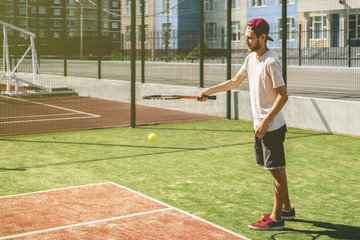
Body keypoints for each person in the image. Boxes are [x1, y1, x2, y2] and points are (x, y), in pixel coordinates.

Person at [197, 18, 295, 230]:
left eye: (249, 38)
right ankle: (287, 208)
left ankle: (277, 218)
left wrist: (266, 121)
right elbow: (234, 82)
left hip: (272, 127)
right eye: (245, 37)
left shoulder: (271, 62)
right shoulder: (251, 59)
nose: (246, 41)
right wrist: (207, 91)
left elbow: (283, 96)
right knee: (276, 169)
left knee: (276, 170)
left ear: (262, 37)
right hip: (260, 126)